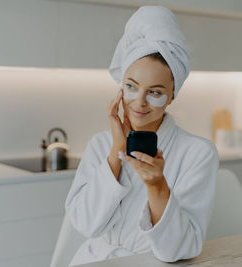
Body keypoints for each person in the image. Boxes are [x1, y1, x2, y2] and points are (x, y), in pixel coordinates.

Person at [64, 6, 219, 266]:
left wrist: (157, 185)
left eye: (155, 92)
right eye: (131, 87)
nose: (139, 102)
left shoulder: (198, 153)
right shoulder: (101, 144)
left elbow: (179, 250)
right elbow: (85, 224)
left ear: (172, 96)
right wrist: (116, 151)